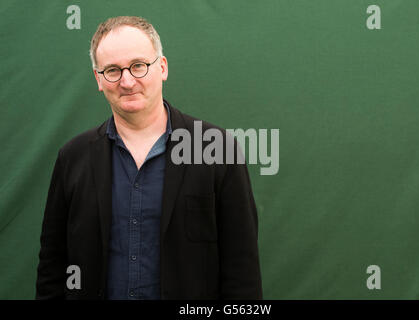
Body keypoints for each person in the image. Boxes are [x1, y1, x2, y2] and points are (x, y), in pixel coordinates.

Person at [35, 16, 262, 300]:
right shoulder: (73, 157)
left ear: (162, 67)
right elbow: (52, 266)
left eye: (138, 66)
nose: (127, 81)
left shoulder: (215, 149)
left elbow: (242, 269)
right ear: (98, 79)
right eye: (113, 71)